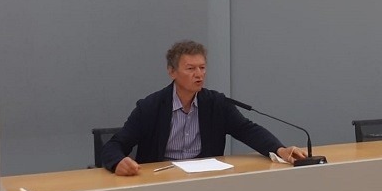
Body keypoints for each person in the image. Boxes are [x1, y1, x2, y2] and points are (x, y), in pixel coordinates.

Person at [101, 40, 307, 175]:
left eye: (202, 68)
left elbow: (247, 130)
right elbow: (114, 145)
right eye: (190, 69)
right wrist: (118, 162)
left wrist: (280, 149)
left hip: (204, 181)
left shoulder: (216, 104)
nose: (199, 74)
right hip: (161, 182)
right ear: (172, 72)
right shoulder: (150, 107)